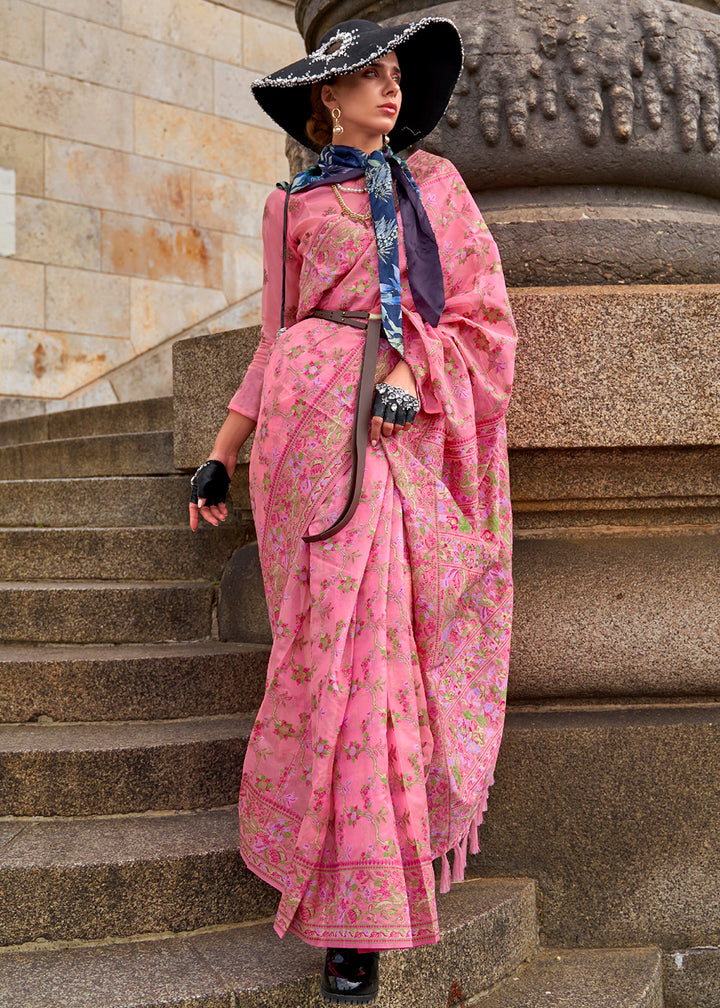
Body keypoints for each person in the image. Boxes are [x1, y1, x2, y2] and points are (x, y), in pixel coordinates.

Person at [189, 17, 517, 1005]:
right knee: (316, 651)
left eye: (395, 74)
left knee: (369, 650)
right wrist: (220, 455)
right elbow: (273, 339)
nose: (390, 89)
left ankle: (355, 919)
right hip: (297, 437)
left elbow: (479, 317)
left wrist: (412, 370)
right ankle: (330, 873)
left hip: (383, 426)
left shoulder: (435, 188)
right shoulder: (288, 204)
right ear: (324, 98)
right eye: (369, 75)